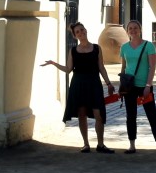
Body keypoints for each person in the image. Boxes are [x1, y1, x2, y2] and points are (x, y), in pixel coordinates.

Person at [43, 22, 115, 154]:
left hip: (94, 83)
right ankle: (86, 144)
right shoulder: (73, 51)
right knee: (82, 114)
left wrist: (109, 83)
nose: (81, 32)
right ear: (75, 36)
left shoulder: (97, 48)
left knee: (98, 114)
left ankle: (100, 144)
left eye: (82, 29)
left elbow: (101, 67)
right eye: (77, 32)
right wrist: (54, 63)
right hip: (78, 84)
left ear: (85, 30)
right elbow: (68, 69)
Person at [119, 20, 156, 155]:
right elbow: (123, 67)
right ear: (127, 31)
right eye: (130, 28)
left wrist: (148, 85)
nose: (133, 30)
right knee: (131, 116)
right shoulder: (124, 47)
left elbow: (152, 67)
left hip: (144, 86)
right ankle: (132, 145)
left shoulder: (148, 46)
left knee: (152, 115)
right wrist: (121, 86)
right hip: (129, 86)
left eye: (135, 28)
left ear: (140, 30)